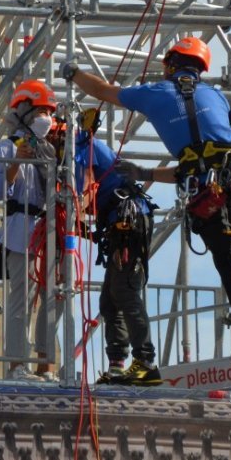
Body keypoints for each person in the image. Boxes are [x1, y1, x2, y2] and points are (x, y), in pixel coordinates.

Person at [64, 37, 231, 368]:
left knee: (229, 263)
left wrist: (73, 72)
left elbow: (105, 91)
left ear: (170, 64)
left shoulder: (155, 93)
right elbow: (198, 159)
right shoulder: (214, 95)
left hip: (212, 188)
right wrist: (144, 171)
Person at [0, 79, 64, 381]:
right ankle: (17, 364)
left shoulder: (50, 149)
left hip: (48, 227)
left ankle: (46, 364)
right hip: (21, 228)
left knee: (52, 296)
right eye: (40, 111)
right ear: (24, 112)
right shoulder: (8, 146)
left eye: (49, 111)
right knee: (22, 298)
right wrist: (16, 163)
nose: (46, 118)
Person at [71, 124, 160, 386]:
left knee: (125, 292)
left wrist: (69, 206)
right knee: (110, 300)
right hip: (120, 222)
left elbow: (85, 192)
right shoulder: (82, 146)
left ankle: (146, 362)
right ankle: (118, 364)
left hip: (128, 221)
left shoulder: (81, 146)